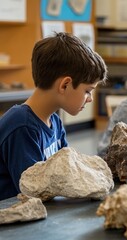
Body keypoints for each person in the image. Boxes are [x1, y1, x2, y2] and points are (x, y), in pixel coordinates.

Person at [0, 32, 108, 201]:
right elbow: (34, 191)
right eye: (87, 91)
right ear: (65, 85)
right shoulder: (22, 126)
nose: (90, 98)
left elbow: (67, 170)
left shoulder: (55, 121)